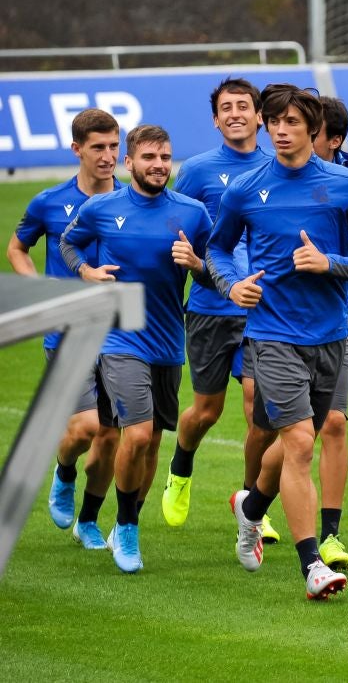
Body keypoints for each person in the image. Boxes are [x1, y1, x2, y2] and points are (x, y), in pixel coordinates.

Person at [207, 83, 348, 600]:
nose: (281, 131)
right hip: (271, 336)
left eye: (291, 122)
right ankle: (314, 565)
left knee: (286, 448)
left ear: (313, 128)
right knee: (303, 443)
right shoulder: (243, 190)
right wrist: (231, 284)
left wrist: (330, 263)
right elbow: (216, 251)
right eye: (274, 121)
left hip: (330, 336)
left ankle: (251, 508)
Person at [59, 124, 214, 573]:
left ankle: (118, 519)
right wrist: (86, 271)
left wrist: (198, 265)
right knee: (137, 434)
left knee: (148, 448)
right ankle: (126, 528)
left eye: (165, 157)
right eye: (149, 158)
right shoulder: (102, 208)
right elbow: (69, 243)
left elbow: (212, 271)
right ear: (130, 164)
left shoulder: (193, 213)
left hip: (168, 341)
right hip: (119, 337)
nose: (159, 165)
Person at [160, 78, 277, 544]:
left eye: (243, 107)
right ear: (215, 119)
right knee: (205, 412)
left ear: (259, 116)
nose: (235, 114)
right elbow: (175, 228)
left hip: (262, 310)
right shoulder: (198, 171)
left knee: (259, 414)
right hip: (210, 306)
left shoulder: (276, 166)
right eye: (226, 108)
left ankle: (251, 506)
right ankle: (182, 465)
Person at [7, 108, 123, 549]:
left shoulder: (131, 202)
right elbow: (17, 248)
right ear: (77, 149)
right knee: (86, 429)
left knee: (111, 436)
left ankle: (89, 519)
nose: (108, 156)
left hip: (121, 334)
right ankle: (65, 469)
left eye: (114, 146)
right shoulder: (49, 202)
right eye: (98, 147)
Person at [306, 93, 348, 571]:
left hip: (336, 320)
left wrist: (329, 264)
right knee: (286, 435)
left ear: (334, 140)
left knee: (333, 423)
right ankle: (253, 505)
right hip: (277, 325)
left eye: (312, 132)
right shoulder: (272, 182)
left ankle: (329, 535)